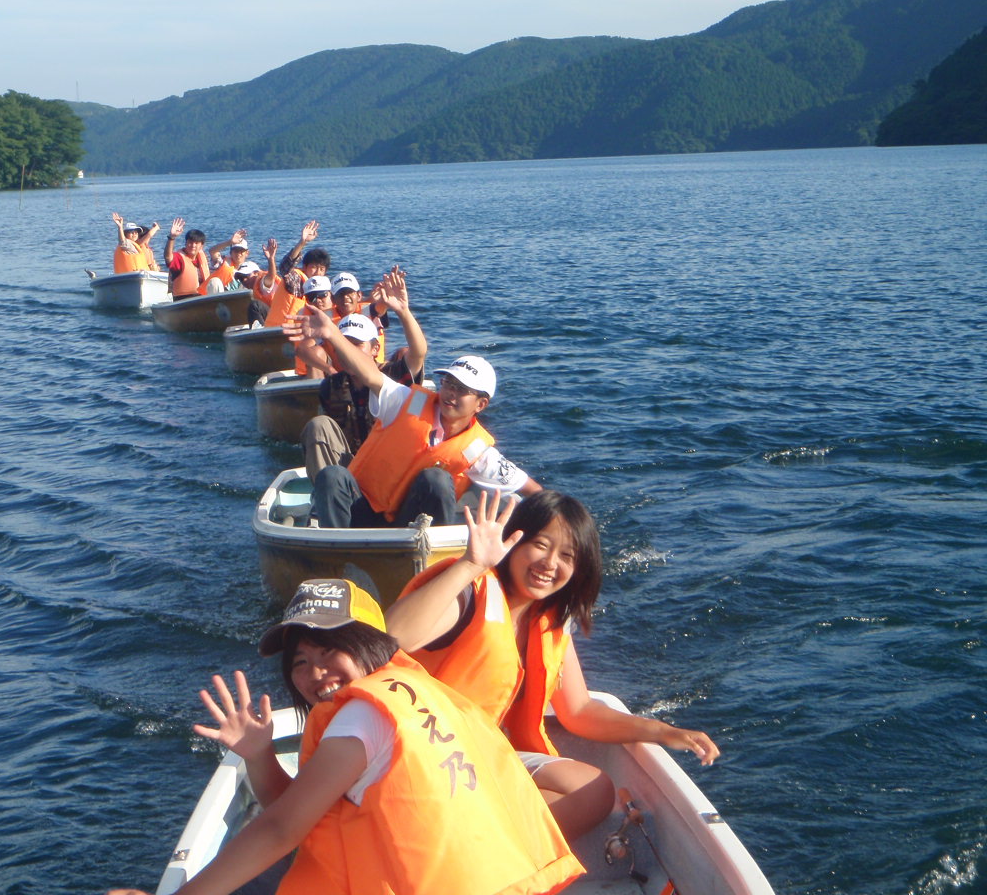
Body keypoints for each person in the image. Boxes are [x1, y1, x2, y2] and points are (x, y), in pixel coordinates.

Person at [106, 578, 584, 895]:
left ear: (370, 644)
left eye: (330, 650)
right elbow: (307, 815)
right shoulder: (418, 690)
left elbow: (282, 829)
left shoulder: (362, 717)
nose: (315, 673)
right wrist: (260, 754)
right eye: (300, 661)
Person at [385, 489, 722, 838]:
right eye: (541, 545)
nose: (550, 563)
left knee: (593, 790)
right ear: (513, 543)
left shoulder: (548, 620)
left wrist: (664, 732)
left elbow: (578, 711)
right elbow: (395, 635)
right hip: (422, 754)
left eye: (567, 555)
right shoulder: (471, 594)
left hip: (478, 754)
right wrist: (471, 563)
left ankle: (483, 852)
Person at [284, 307, 541, 528]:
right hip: (362, 509)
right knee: (332, 476)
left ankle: (429, 557)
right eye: (448, 384)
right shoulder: (405, 401)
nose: (451, 394)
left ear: (481, 404)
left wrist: (552, 521)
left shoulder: (479, 451)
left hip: (410, 528)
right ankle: (340, 550)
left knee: (436, 480)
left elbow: (530, 489)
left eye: (462, 390)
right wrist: (331, 333)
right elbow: (370, 375)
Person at [298, 267, 428, 480]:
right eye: (345, 345)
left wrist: (404, 312)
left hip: (390, 466)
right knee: (318, 425)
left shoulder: (392, 375)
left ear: (375, 349)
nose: (350, 352)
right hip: (350, 467)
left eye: (357, 344)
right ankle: (330, 490)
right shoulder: (332, 386)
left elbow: (418, 352)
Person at [265, 220, 327, 328]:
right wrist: (302, 242)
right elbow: (284, 268)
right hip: (276, 331)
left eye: (322, 269)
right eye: (314, 267)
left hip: (299, 333)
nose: (318, 272)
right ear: (305, 267)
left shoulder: (323, 288)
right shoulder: (296, 279)